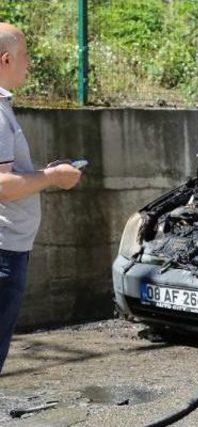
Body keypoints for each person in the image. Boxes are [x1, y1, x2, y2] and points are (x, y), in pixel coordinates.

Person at [0, 23, 82, 374]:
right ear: (5, 59)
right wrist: (52, 177)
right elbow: (3, 183)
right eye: (25, 56)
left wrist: (39, 172)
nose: (29, 63)